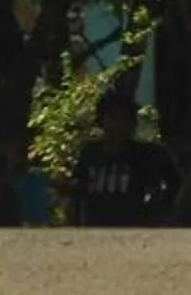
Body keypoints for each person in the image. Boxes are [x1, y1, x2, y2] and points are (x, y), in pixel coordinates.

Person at [68, 88, 180, 227]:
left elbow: (176, 185)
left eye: (126, 118)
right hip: (96, 228)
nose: (120, 125)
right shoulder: (90, 154)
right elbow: (78, 188)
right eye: (114, 118)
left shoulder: (147, 155)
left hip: (136, 228)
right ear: (102, 121)